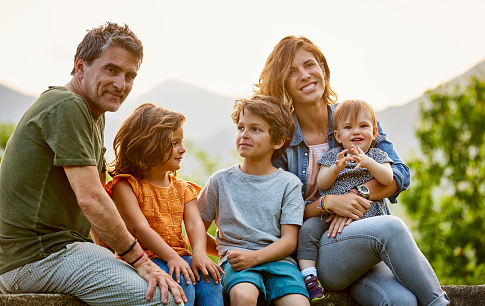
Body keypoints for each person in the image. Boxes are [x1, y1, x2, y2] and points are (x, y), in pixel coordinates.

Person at [254, 35, 449, 306]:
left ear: (322, 68)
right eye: (291, 72)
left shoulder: (354, 118)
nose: (305, 75)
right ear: (282, 82)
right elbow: (279, 211)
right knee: (392, 227)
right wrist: (329, 203)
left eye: (310, 65)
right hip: (319, 250)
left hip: (366, 244)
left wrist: (357, 196)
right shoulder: (281, 141)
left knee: (402, 302)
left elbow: (400, 175)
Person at [0, 22, 186, 305]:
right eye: (111, 69)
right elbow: (92, 200)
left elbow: (101, 199)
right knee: (166, 299)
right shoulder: (67, 105)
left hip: (59, 251)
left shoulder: (92, 115)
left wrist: (114, 259)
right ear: (81, 67)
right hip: (35, 257)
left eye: (130, 76)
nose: (121, 84)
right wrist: (140, 262)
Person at [105, 103, 224, 306]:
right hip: (145, 260)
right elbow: (139, 227)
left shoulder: (182, 188)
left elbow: (195, 225)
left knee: (210, 279)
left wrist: (200, 255)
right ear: (149, 146)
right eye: (174, 143)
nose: (182, 149)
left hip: (181, 257)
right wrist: (171, 258)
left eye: (181, 141)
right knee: (180, 282)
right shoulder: (126, 186)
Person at [198, 95, 310, 306]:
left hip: (281, 264)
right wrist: (225, 253)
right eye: (241, 128)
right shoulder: (220, 181)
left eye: (255, 129)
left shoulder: (289, 184)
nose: (244, 135)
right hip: (239, 267)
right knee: (243, 296)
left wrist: (255, 257)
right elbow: (195, 231)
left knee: (298, 303)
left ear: (277, 141)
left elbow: (289, 241)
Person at [297, 99, 394, 301]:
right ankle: (309, 276)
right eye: (349, 128)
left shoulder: (377, 154)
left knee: (384, 235)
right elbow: (322, 184)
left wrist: (369, 163)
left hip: (366, 214)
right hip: (329, 215)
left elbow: (388, 179)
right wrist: (335, 169)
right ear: (338, 136)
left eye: (363, 126)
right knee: (307, 231)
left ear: (375, 133)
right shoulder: (334, 156)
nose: (356, 132)